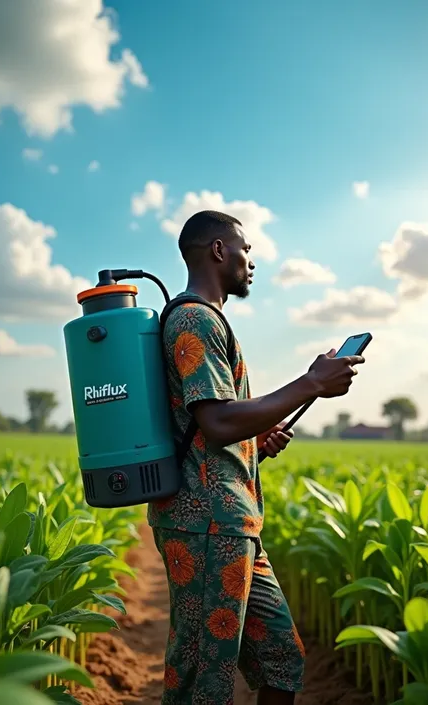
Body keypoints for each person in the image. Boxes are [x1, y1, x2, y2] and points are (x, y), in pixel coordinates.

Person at [147, 210, 365, 705]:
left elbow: (214, 426)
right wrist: (311, 383)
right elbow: (218, 421)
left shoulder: (208, 320)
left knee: (281, 659)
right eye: (246, 251)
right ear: (219, 251)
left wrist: (255, 441)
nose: (252, 262)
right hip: (206, 526)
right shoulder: (193, 320)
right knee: (203, 680)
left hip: (231, 522)